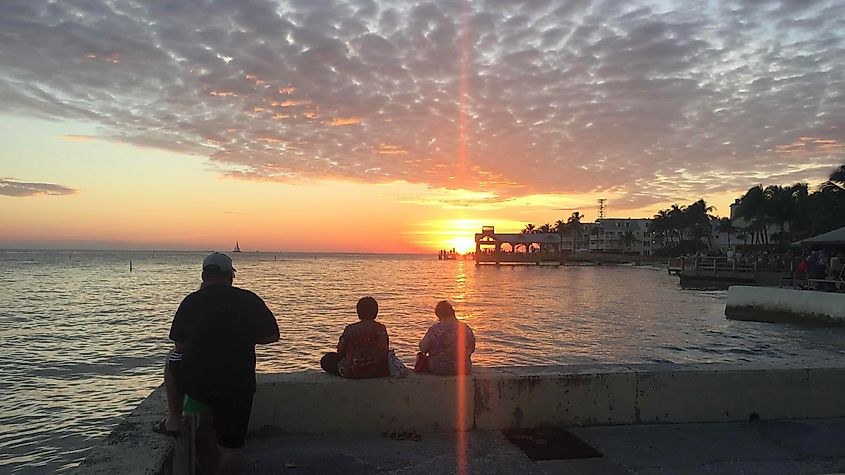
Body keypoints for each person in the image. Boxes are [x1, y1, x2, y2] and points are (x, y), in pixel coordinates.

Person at [168, 252, 280, 475]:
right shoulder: (248, 299)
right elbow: (272, 335)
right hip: (238, 384)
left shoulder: (191, 301)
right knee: (232, 449)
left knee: (172, 358)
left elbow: (180, 345)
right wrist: (245, 336)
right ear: (231, 276)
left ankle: (173, 420)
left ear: (203, 275)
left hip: (198, 382)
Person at [320, 296, 390, 378]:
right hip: (377, 370)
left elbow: (340, 351)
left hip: (353, 370)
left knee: (326, 360)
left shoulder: (350, 329)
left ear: (358, 312)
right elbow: (384, 349)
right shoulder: (380, 328)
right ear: (376, 312)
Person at [418, 300, 476, 375]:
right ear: (453, 312)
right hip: (464, 368)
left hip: (438, 368)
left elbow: (423, 348)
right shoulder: (466, 328)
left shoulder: (434, 329)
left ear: (438, 315)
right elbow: (472, 349)